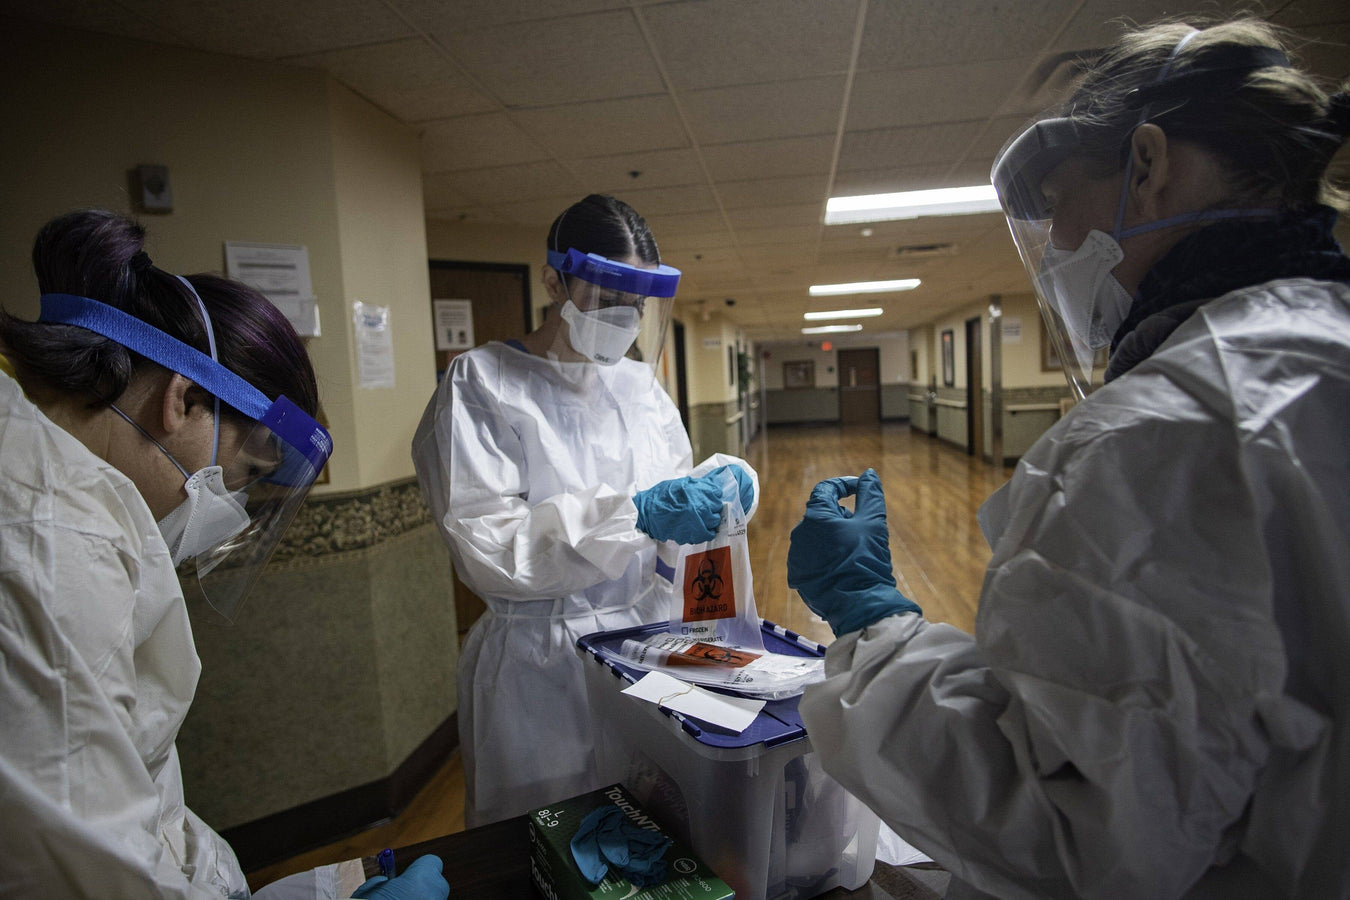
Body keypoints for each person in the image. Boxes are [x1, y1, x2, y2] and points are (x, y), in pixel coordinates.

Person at [786, 19, 1350, 900]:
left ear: (1149, 163)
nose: (1053, 248)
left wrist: (873, 627)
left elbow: (1072, 828)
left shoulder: (1156, 437)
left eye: (1058, 203)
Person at [0, 210, 446, 899]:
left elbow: (134, 814)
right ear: (180, 401)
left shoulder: (49, 478)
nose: (230, 503)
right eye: (243, 475)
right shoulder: (57, 550)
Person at [412, 194, 758, 827]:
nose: (623, 318)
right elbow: (491, 548)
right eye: (606, 299)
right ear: (553, 280)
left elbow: (674, 507)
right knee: (547, 841)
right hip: (541, 663)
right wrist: (637, 515)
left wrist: (716, 497)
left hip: (652, 647)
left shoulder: (641, 390)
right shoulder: (482, 383)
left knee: (659, 831)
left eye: (636, 304)